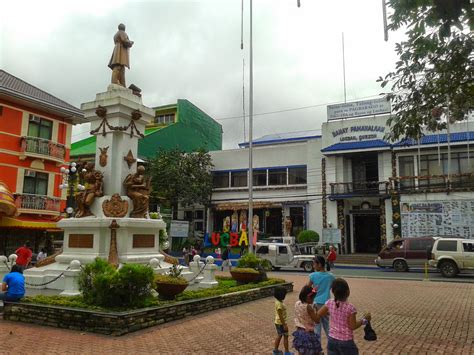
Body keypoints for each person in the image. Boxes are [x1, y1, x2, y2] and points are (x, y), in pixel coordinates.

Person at [316, 278, 371, 355]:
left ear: (333, 292)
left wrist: (331, 313)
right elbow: (353, 326)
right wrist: (364, 320)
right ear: (348, 292)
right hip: (346, 342)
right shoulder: (350, 308)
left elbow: (318, 314)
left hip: (332, 340)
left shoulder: (329, 303)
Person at [307, 255, 335, 340]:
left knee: (317, 326)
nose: (313, 266)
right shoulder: (331, 276)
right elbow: (333, 288)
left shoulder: (313, 275)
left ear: (319, 264)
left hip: (315, 303)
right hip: (326, 304)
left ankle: (317, 349)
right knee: (327, 326)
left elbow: (308, 289)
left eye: (314, 264)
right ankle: (331, 344)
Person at [292, 285, 322, 355]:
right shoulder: (308, 307)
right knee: (313, 350)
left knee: (301, 350)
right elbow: (317, 320)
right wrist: (317, 311)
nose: (313, 300)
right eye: (313, 298)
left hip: (299, 332)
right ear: (308, 297)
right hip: (308, 333)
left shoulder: (297, 303)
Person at [273, 286, 292, 355]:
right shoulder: (279, 304)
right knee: (285, 336)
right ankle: (287, 352)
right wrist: (284, 325)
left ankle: (275, 351)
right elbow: (280, 315)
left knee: (279, 335)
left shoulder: (278, 301)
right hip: (281, 323)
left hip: (277, 322)